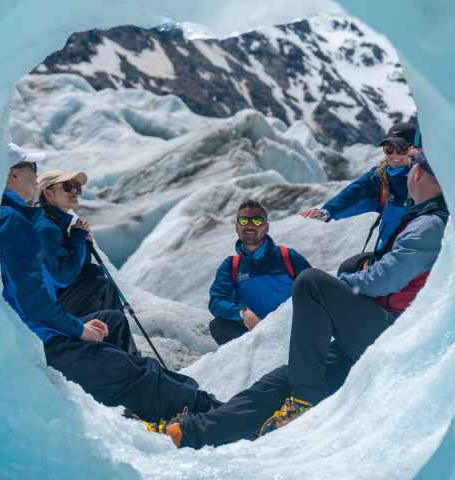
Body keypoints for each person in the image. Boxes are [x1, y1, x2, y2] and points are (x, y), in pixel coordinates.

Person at [148, 149, 448, 449]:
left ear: (417, 174)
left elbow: (384, 280)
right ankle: (191, 431)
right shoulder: (423, 219)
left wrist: (344, 281)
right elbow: (218, 301)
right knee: (282, 379)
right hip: (368, 332)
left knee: (311, 284)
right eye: (244, 222)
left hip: (392, 332)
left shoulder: (428, 225)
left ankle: (306, 399)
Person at [0, 143, 219, 422]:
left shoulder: (17, 219)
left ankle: (155, 387)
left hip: (43, 327)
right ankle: (208, 412)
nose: (34, 173)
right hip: (44, 339)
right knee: (138, 373)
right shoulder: (17, 223)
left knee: (112, 322)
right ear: (12, 175)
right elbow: (38, 296)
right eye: (31, 167)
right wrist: (78, 328)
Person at [299, 122, 421, 253]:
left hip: (420, 253)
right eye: (389, 148)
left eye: (401, 149)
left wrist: (422, 165)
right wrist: (327, 211)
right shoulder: (381, 176)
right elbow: (354, 193)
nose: (394, 154)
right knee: (348, 268)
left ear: (416, 150)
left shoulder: (428, 178)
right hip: (388, 250)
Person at [208, 200, 311, 345]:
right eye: (244, 221)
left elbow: (315, 290)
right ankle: (249, 365)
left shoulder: (288, 257)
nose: (250, 225)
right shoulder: (232, 266)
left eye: (256, 221)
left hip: (293, 329)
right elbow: (216, 302)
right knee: (219, 326)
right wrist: (242, 312)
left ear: (266, 227)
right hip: (256, 334)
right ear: (237, 227)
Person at [34, 170, 124, 318]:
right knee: (100, 283)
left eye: (76, 186)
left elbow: (79, 271)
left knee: (94, 275)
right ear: (48, 193)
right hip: (49, 306)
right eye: (67, 185)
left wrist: (82, 243)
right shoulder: (45, 228)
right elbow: (63, 278)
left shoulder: (56, 226)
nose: (74, 190)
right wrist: (77, 238)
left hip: (57, 300)